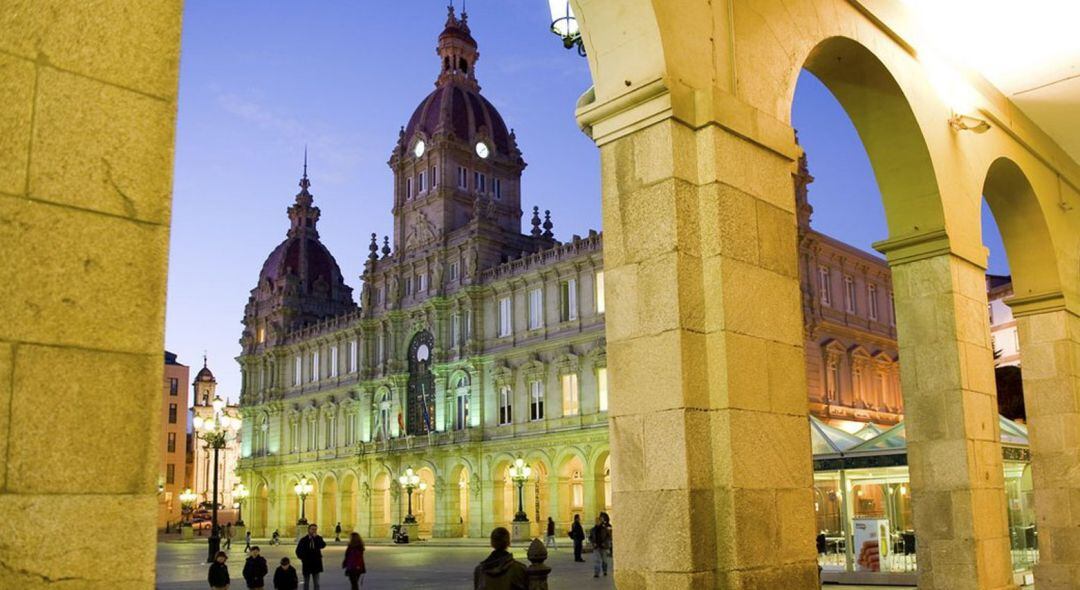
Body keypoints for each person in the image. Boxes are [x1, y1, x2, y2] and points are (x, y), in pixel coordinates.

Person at [295, 523, 326, 589]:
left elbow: (323, 545)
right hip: (307, 564)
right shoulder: (303, 540)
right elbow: (298, 551)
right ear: (308, 530)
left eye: (315, 529)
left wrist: (316, 538)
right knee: (306, 583)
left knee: (316, 583)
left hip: (316, 564)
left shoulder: (318, 538)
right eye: (312, 529)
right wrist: (303, 559)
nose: (314, 531)